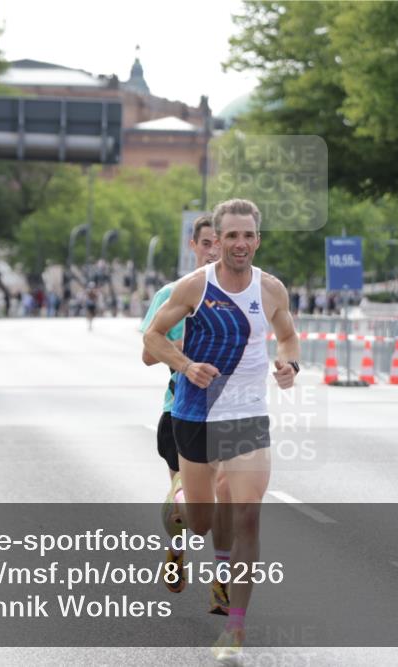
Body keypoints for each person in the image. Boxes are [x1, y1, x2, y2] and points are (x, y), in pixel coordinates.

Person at [143, 199, 300, 662]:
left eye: (247, 235)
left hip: (246, 414)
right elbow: (152, 338)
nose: (239, 244)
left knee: (247, 515)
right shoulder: (194, 287)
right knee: (201, 522)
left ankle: (234, 630)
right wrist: (186, 365)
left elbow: (288, 336)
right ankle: (177, 507)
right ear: (218, 239)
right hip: (194, 413)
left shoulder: (271, 290)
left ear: (258, 239)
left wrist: (290, 364)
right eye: (230, 235)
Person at [139, 216, 234, 614]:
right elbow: (147, 353)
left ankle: (222, 581)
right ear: (194, 246)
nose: (215, 250)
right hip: (180, 410)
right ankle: (177, 548)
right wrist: (183, 347)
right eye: (207, 243)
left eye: (221, 243)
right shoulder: (171, 293)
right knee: (189, 502)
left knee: (227, 499)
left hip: (232, 413)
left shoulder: (244, 293)